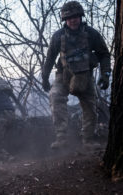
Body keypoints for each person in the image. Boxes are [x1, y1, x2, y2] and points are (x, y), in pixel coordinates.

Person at [41, 1, 111, 149]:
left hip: (84, 76)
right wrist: (45, 77)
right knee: (55, 97)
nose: (73, 20)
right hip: (63, 75)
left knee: (90, 108)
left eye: (76, 16)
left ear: (80, 16)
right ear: (65, 19)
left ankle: (88, 140)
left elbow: (104, 54)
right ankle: (61, 138)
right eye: (69, 17)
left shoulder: (91, 34)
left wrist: (105, 74)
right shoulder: (58, 36)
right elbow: (50, 59)